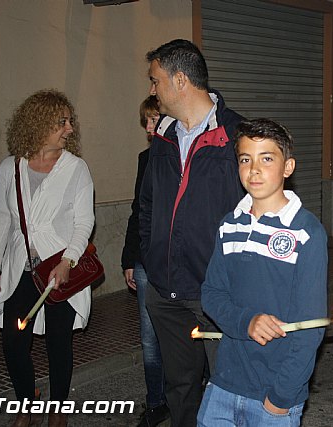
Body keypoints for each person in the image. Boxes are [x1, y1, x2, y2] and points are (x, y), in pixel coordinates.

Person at [139, 39, 245, 427]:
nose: (152, 89)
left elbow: (259, 214)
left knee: (229, 386)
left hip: (216, 292)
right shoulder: (163, 137)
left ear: (180, 80)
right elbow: (148, 204)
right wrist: (150, 257)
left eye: (156, 80)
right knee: (180, 388)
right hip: (166, 291)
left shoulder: (237, 136)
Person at [198, 118, 327, 426]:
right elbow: (212, 294)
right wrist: (247, 322)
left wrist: (281, 397)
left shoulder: (306, 232)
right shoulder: (230, 225)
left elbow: (311, 327)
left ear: (288, 167)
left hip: (274, 394)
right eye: (246, 159)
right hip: (224, 383)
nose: (254, 169)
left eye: (266, 158)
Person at [0, 89, 94, 427]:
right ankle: (26, 401)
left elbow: (84, 220)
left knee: (59, 343)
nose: (70, 129)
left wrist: (68, 261)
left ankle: (58, 408)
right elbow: (3, 216)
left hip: (59, 268)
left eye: (69, 121)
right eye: (62, 122)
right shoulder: (10, 167)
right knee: (13, 339)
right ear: (38, 124)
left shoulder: (76, 168)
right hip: (22, 267)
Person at [120, 96, 170, 426]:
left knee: (185, 333)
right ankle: (156, 401)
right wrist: (128, 259)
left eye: (154, 121)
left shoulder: (180, 157)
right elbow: (138, 211)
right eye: (146, 122)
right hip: (145, 259)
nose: (148, 129)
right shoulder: (145, 159)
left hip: (176, 258)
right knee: (149, 335)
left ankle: (195, 390)